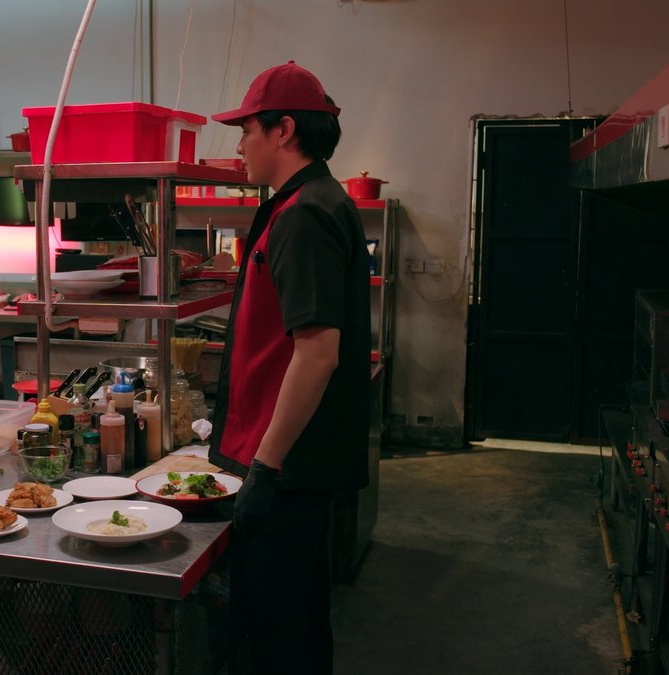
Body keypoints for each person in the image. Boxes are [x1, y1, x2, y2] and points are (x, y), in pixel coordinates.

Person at [208, 61, 370, 674]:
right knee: (297, 623)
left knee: (281, 636)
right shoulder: (307, 203)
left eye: (245, 128)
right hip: (292, 465)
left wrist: (266, 471)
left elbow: (318, 351)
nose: (239, 144)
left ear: (281, 130)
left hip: (288, 471)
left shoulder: (304, 213)